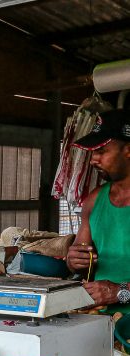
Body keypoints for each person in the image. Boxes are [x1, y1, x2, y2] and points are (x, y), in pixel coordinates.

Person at [66, 109, 130, 313]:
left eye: (101, 151)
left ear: (128, 150)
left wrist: (120, 291)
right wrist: (74, 261)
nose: (93, 159)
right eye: (92, 152)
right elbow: (80, 264)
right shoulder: (94, 199)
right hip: (99, 317)